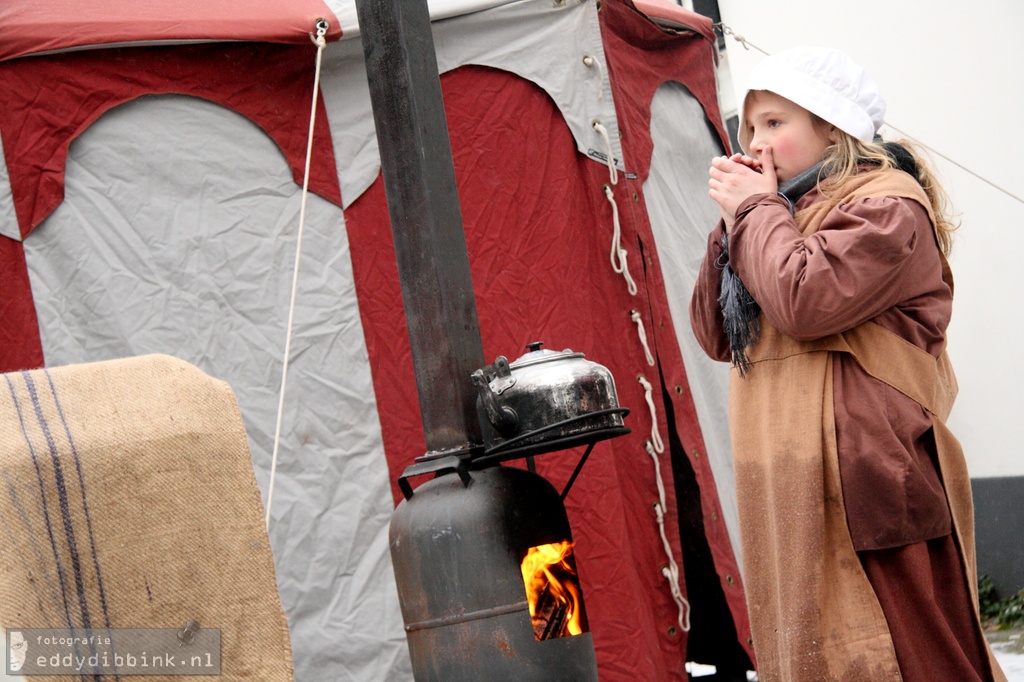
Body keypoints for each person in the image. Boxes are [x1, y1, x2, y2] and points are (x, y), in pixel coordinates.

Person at [689, 46, 1007, 682]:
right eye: (750, 127)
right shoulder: (776, 214)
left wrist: (754, 211)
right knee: (820, 658)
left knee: (912, 656)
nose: (757, 143)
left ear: (832, 127)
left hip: (870, 475)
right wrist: (733, 225)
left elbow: (805, 301)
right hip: (791, 480)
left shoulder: (888, 207)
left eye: (776, 123)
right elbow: (717, 335)